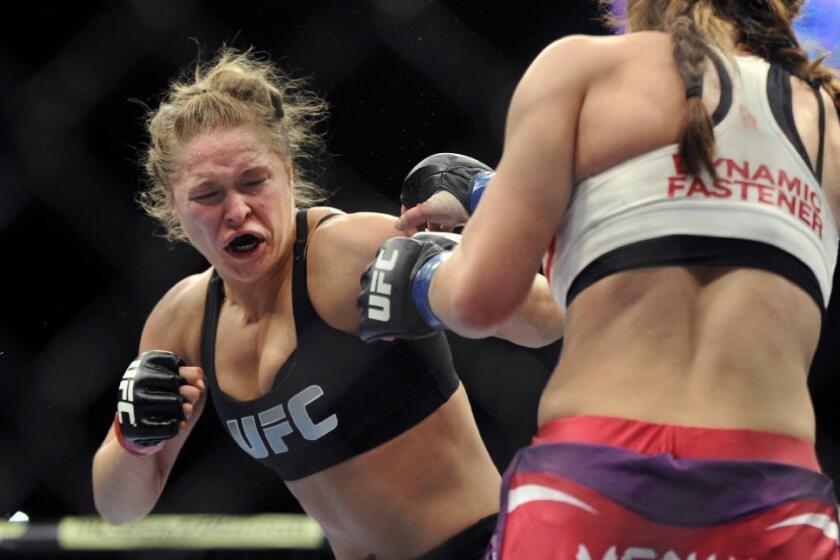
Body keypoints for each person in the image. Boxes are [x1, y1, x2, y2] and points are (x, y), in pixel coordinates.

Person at [359, 0, 840, 557]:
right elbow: (705, 218)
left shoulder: (582, 70)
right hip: (770, 494)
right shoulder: (827, 120)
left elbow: (480, 302)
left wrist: (425, 270)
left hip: (595, 477)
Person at [91, 47, 564, 560]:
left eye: (254, 181)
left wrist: (441, 268)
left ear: (288, 173)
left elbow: (549, 320)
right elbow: (120, 509)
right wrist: (133, 438)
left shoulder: (347, 252)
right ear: (172, 202)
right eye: (207, 194)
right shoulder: (180, 321)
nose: (237, 209)